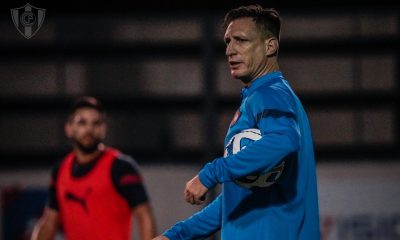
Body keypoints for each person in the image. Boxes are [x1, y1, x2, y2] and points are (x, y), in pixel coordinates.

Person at [153, 4, 320, 240]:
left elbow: (285, 140)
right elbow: (239, 198)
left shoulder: (271, 93)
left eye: (241, 40)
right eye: (228, 41)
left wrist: (211, 173)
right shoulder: (257, 99)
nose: (230, 50)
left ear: (270, 46)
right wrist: (178, 234)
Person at [31, 96, 157, 240]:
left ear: (103, 129)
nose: (89, 129)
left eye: (96, 123)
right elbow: (49, 221)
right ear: (69, 128)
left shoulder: (121, 167)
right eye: (82, 122)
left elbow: (144, 214)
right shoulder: (60, 171)